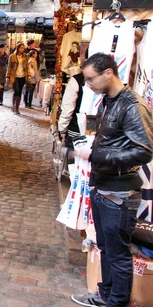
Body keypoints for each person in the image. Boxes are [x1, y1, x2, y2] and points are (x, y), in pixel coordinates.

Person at [71, 53, 153, 307]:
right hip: (105, 187)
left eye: (90, 78)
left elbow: (145, 150)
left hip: (119, 193)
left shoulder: (132, 106)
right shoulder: (108, 100)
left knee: (117, 254)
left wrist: (97, 154)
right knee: (106, 248)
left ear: (108, 73)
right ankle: (105, 294)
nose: (88, 85)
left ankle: (116, 301)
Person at [58, 65, 85, 144]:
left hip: (77, 130)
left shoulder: (77, 80)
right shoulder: (108, 79)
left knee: (74, 155)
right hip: (101, 134)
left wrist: (62, 128)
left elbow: (68, 107)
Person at [6, 42, 28, 114]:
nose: (22, 49)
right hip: (14, 76)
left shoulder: (25, 56)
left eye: (23, 48)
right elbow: (9, 67)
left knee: (20, 92)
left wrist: (29, 75)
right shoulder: (12, 56)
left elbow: (27, 67)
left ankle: (17, 108)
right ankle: (14, 106)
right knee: (17, 91)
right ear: (18, 48)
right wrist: (7, 76)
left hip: (22, 76)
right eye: (21, 48)